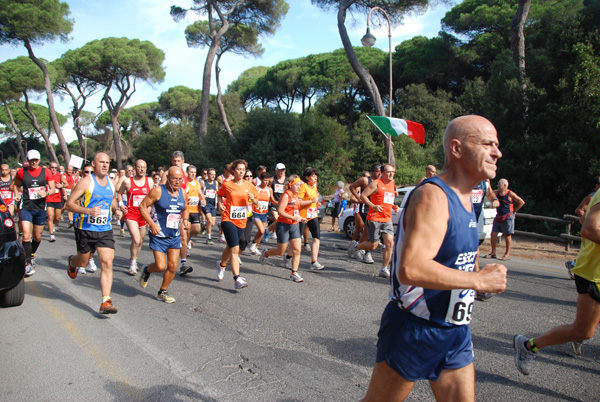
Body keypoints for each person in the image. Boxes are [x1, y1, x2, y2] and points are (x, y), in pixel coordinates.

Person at [360, 115, 507, 402]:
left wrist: (475, 272)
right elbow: (411, 269)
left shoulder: (467, 198)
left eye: (497, 145)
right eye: (487, 144)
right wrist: (478, 280)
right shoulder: (433, 196)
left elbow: (458, 254)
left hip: (455, 331)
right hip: (416, 327)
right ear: (456, 149)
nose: (497, 152)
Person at [513, 185, 600, 375]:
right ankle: (528, 346)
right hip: (594, 273)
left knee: (586, 328)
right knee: (583, 330)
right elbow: (589, 229)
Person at [65, 152, 122, 314]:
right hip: (85, 229)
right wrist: (87, 210)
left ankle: (106, 301)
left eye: (107, 162)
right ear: (94, 164)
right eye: (101, 162)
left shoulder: (112, 183)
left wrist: (117, 209)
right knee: (82, 262)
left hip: (104, 229)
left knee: (107, 262)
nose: (105, 165)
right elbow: (69, 204)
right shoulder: (86, 182)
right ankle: (72, 262)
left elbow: (111, 200)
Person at [138, 166, 189, 303]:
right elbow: (142, 206)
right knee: (160, 266)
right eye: (174, 178)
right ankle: (147, 270)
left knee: (173, 266)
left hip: (174, 234)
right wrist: (151, 223)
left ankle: (163, 291)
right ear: (168, 178)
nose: (177, 182)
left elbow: (185, 208)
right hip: (159, 234)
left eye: (180, 179)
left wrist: (185, 220)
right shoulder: (158, 191)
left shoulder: (182, 193)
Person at [11, 150, 56, 276]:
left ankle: (31, 255)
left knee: (37, 237)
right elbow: (15, 185)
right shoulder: (21, 172)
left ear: (39, 160)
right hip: (26, 207)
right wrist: (16, 195)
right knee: (26, 236)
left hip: (40, 208)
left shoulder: (45, 172)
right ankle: (27, 263)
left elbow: (52, 189)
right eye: (31, 160)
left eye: (36, 160)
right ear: (28, 160)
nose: (34, 162)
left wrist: (46, 193)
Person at [215, 160, 258, 289]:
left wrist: (253, 198)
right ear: (233, 171)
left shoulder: (249, 186)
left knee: (230, 246)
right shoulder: (227, 184)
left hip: (241, 220)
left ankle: (221, 265)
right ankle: (237, 279)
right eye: (239, 169)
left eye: (243, 169)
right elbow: (220, 195)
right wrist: (220, 204)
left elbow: (257, 203)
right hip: (228, 219)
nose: (241, 171)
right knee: (235, 249)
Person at [351, 164, 399, 278]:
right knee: (373, 246)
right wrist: (374, 206)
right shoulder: (376, 183)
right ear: (382, 173)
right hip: (374, 218)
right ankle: (357, 246)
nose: (391, 174)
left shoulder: (392, 184)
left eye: (393, 172)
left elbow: (387, 199)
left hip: (387, 218)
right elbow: (363, 196)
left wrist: (393, 206)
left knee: (390, 243)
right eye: (388, 172)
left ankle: (383, 269)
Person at [259, 175, 308, 283]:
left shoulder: (296, 195)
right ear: (290, 184)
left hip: (294, 225)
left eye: (300, 184)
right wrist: (293, 217)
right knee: (280, 251)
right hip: (283, 225)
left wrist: (299, 218)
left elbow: (294, 210)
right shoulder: (287, 195)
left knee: (297, 250)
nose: (299, 186)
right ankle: (266, 253)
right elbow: (280, 212)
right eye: (297, 184)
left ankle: (294, 273)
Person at [117, 159, 152, 276]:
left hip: (143, 215)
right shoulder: (128, 182)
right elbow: (119, 193)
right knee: (136, 239)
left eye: (143, 167)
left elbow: (152, 196)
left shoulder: (150, 181)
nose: (141, 169)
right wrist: (121, 205)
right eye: (139, 167)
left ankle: (134, 258)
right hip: (131, 214)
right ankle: (132, 262)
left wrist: (150, 207)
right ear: (135, 169)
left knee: (140, 241)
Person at [565, 176, 600, 278]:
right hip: (592, 230)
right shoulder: (591, 197)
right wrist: (588, 223)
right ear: (596, 185)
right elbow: (579, 210)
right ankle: (573, 265)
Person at [485, 178, 525, 260]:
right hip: (499, 215)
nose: (498, 186)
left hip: (508, 216)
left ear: (504, 185)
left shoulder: (510, 194)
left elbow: (521, 202)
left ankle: (507, 254)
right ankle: (493, 252)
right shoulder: (497, 193)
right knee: (493, 233)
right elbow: (489, 195)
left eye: (499, 184)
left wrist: (515, 210)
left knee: (507, 235)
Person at [348, 164, 382, 261]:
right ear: (373, 171)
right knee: (367, 230)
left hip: (375, 209)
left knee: (367, 231)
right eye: (377, 171)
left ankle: (358, 247)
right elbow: (352, 187)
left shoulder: (380, 182)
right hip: (365, 209)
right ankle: (365, 252)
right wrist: (358, 198)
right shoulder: (365, 180)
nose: (379, 173)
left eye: (380, 171)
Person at [181, 164, 205, 274]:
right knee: (184, 235)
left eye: (194, 172)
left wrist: (202, 199)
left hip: (195, 211)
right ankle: (183, 260)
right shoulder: (184, 183)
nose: (193, 174)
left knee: (197, 230)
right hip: (186, 211)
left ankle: (189, 239)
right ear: (187, 172)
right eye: (191, 172)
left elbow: (200, 194)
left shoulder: (197, 182)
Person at [248, 171, 272, 254]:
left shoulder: (269, 189)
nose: (266, 182)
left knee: (261, 233)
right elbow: (251, 199)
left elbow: (272, 200)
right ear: (261, 179)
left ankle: (254, 246)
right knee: (261, 230)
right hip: (256, 212)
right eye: (265, 180)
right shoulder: (256, 188)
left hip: (264, 214)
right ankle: (253, 243)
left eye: (268, 180)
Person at [46, 161, 68, 242]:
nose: (54, 169)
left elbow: (67, 184)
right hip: (49, 198)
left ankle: (54, 225)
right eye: (52, 167)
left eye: (55, 168)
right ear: (49, 167)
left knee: (57, 217)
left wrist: (61, 185)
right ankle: (51, 235)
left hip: (58, 198)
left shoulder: (59, 176)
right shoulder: (46, 175)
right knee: (50, 216)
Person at [264, 163, 287, 241]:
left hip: (283, 204)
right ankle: (269, 231)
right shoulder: (272, 180)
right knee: (277, 219)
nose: (281, 172)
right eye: (280, 170)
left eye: (283, 170)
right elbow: (269, 190)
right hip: (274, 203)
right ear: (276, 171)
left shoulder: (287, 180)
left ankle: (267, 230)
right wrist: (273, 200)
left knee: (281, 220)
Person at [202, 168, 218, 244]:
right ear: (207, 175)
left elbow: (217, 192)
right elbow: (198, 192)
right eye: (211, 174)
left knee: (212, 223)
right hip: (205, 204)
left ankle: (204, 226)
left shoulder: (216, 183)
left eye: (214, 174)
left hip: (213, 205)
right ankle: (209, 238)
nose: (213, 176)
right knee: (209, 220)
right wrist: (202, 197)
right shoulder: (203, 182)